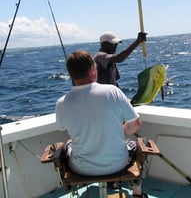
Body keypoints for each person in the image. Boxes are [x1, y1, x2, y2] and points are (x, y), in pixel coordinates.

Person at [55, 50, 148, 198]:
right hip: (118, 164)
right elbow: (136, 124)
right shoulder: (113, 91)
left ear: (71, 74)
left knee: (68, 144)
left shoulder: (61, 103)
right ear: (93, 69)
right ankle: (137, 192)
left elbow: (61, 127)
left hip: (80, 169)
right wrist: (119, 131)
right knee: (134, 145)